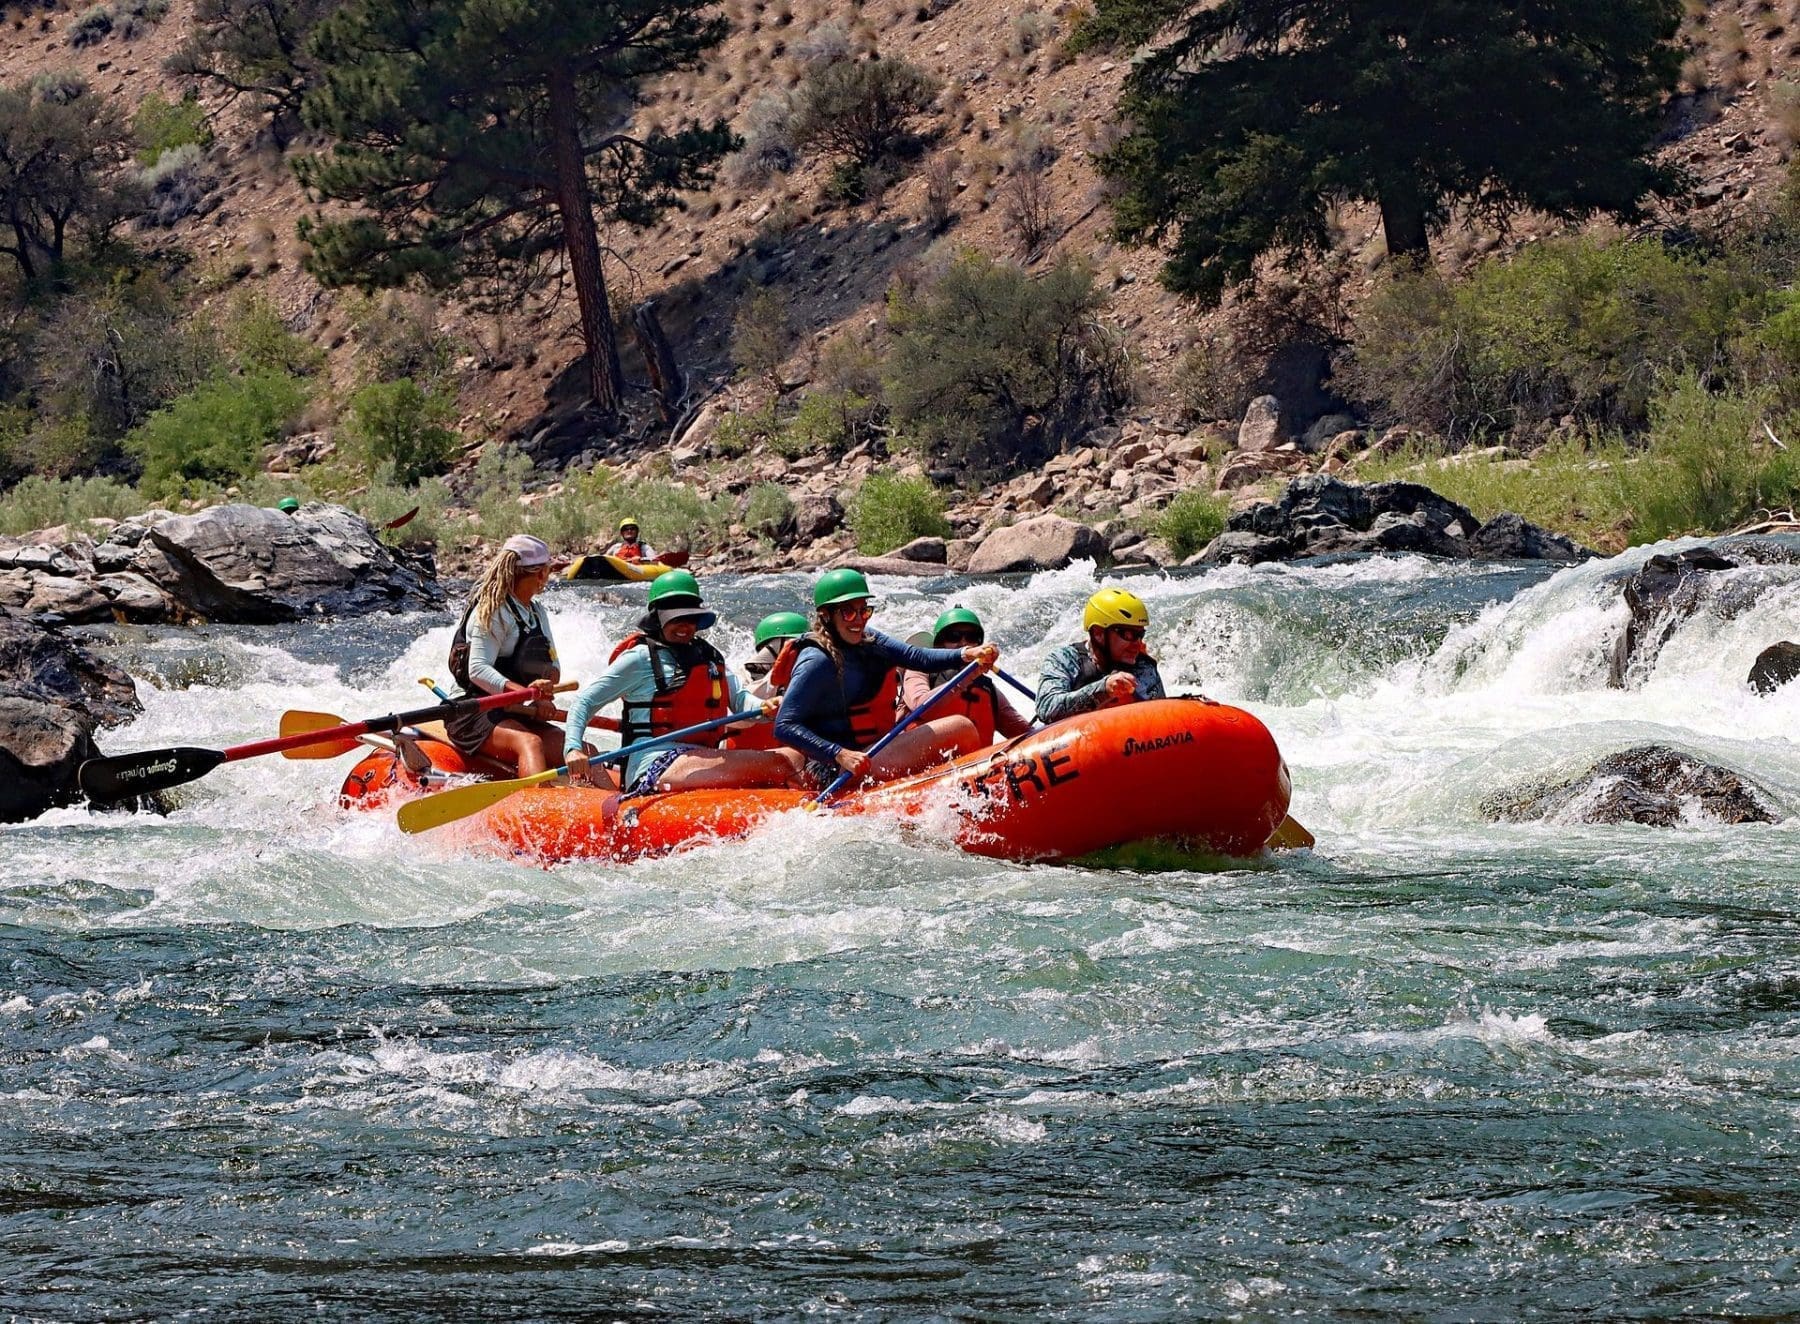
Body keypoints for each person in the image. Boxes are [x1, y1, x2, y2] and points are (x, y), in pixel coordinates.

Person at [562, 570, 791, 794]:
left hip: (702, 757)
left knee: (790, 758)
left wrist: (765, 708)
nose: (685, 626)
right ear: (657, 618)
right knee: (777, 764)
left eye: (691, 618)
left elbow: (740, 700)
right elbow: (585, 702)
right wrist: (573, 748)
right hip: (655, 765)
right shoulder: (640, 658)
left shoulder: (709, 657)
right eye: (676, 619)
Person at [775, 568, 999, 789]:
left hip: (873, 749)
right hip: (838, 768)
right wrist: (839, 754)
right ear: (826, 616)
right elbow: (784, 725)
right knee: (960, 727)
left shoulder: (869, 640)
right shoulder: (816, 661)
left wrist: (965, 654)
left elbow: (916, 656)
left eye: (864, 611)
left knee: (961, 730)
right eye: (848, 612)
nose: (859, 620)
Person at [442, 534, 566, 776]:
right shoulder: (492, 611)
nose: (548, 578)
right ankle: (535, 805)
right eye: (548, 571)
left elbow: (553, 665)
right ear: (539, 573)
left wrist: (543, 691)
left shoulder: (537, 612)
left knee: (582, 748)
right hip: (472, 710)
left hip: (516, 709)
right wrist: (525, 693)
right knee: (530, 743)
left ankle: (616, 807)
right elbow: (477, 670)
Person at [900, 607, 1032, 747]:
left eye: (971, 637)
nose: (964, 643)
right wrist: (966, 678)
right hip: (920, 760)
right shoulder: (919, 671)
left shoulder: (987, 688)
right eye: (953, 636)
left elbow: (1024, 732)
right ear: (939, 644)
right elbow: (921, 706)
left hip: (975, 765)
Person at [1036, 587, 1166, 725]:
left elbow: (1165, 718)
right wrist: (1103, 690)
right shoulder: (1063, 660)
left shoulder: (1144, 667)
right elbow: (1046, 708)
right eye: (1128, 634)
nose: (1138, 643)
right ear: (1098, 634)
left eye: (1140, 635)